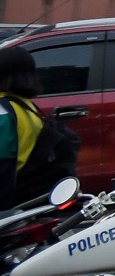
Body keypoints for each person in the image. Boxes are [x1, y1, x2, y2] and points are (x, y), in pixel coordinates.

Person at [0, 49, 74, 208]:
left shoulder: (4, 111)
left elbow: (3, 167)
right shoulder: (26, 107)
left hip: (9, 205)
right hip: (27, 199)